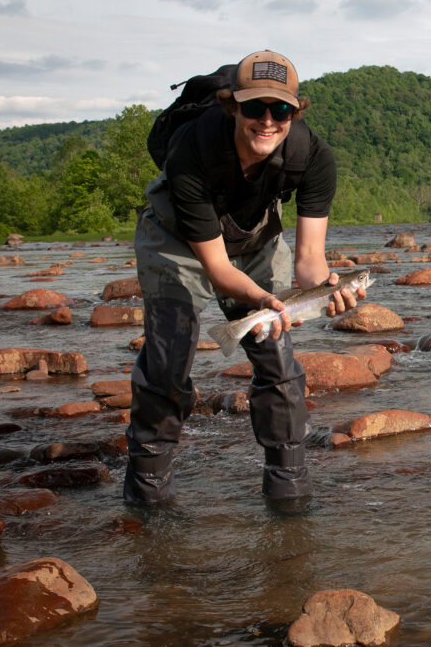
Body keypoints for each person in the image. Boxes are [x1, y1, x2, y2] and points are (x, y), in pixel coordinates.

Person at [124, 49, 363, 504]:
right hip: (178, 240)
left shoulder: (313, 157)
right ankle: (148, 494)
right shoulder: (191, 149)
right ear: (232, 105)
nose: (267, 121)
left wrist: (327, 291)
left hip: (255, 240)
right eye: (254, 107)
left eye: (281, 110)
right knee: (168, 361)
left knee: (277, 359)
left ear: (296, 111)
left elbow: (309, 261)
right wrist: (264, 301)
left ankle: (288, 488)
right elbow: (216, 268)